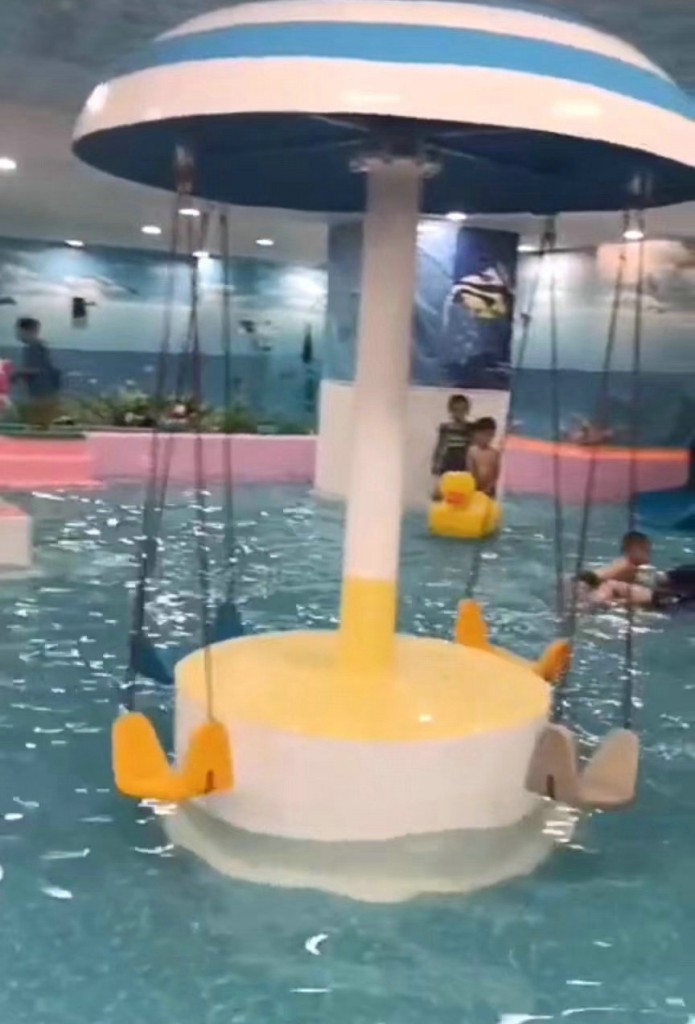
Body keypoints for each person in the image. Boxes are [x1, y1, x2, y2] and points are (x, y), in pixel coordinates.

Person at [12, 317, 61, 428]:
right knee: (41, 426)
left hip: (42, 395)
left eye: (19, 331)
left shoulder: (34, 347)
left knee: (38, 427)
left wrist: (15, 374)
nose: (18, 335)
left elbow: (35, 369)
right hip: (45, 393)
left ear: (27, 331)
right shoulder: (40, 346)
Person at [431, 394, 471, 495]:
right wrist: (436, 464)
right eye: (456, 410)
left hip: (463, 461)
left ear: (467, 410)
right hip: (449, 460)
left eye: (462, 410)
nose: (459, 413)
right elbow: (440, 446)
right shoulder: (446, 428)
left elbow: (471, 446)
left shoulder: (470, 428)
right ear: (451, 410)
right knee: (446, 489)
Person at [467, 416, 500, 496]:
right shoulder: (472, 451)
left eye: (491, 435)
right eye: (486, 435)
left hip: (489, 490)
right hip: (474, 489)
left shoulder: (494, 453)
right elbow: (470, 471)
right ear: (477, 434)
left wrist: (489, 487)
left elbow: (496, 473)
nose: (488, 438)